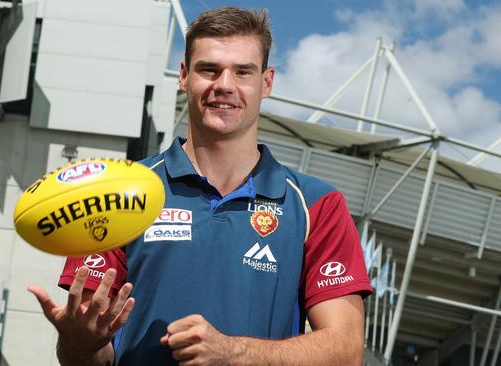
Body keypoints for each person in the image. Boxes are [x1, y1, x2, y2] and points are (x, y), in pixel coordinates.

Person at [29, 7, 372, 366]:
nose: (224, 85)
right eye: (209, 69)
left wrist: (235, 353)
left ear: (266, 83)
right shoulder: (115, 195)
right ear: (183, 75)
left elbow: (345, 350)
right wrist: (79, 344)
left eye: (243, 72)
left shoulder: (316, 204)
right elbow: (88, 357)